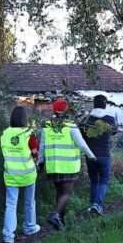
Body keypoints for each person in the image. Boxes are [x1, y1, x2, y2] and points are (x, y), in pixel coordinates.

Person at [39, 98, 96, 230]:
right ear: (66, 110)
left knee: (60, 193)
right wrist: (91, 156)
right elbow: (81, 144)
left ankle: (60, 223)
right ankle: (55, 215)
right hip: (68, 165)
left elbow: (42, 146)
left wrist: (40, 162)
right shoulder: (70, 125)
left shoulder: (47, 126)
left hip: (53, 166)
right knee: (67, 192)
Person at [0, 105, 41, 243]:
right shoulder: (29, 133)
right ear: (25, 119)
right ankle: (29, 227)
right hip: (28, 174)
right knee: (29, 202)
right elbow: (35, 153)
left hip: (11, 174)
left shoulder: (5, 134)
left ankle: (8, 235)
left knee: (10, 204)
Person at [82, 94, 118, 215]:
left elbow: (82, 136)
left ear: (94, 104)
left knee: (94, 180)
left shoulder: (87, 119)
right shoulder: (109, 119)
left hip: (90, 154)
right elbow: (114, 131)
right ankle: (97, 204)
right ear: (105, 104)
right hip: (104, 154)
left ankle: (93, 205)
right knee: (104, 180)